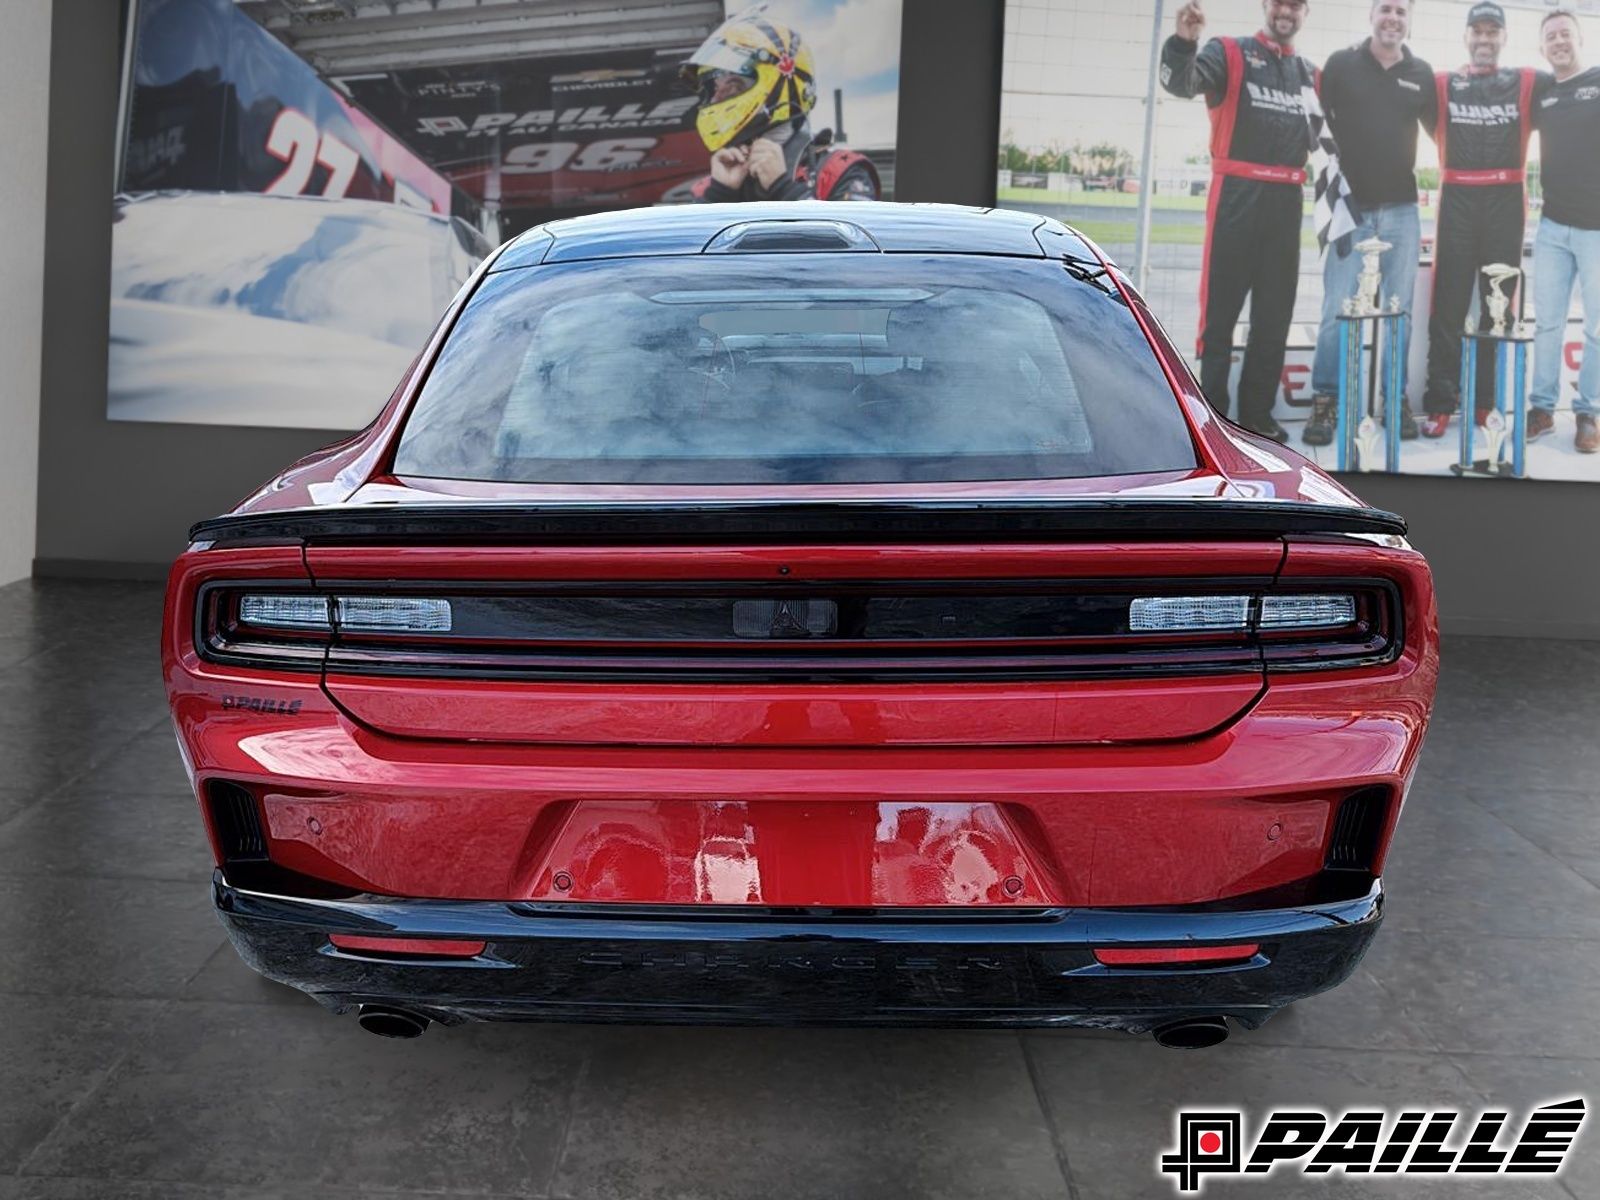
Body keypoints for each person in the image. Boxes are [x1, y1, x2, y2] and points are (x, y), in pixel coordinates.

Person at [1162, 0, 1318, 443]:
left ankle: (1257, 414)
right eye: (1279, 2)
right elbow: (1182, 83)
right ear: (1266, 6)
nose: (1285, 11)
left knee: (1274, 317)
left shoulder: (1310, 73)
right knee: (1220, 316)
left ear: (1305, 12)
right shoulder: (1228, 50)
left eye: (1295, 4)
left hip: (1288, 202)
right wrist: (1184, 43)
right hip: (1236, 196)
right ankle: (1213, 417)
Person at [1304, 0, 1435, 447]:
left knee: (1398, 311)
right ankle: (1326, 398)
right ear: (1372, 16)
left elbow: (1446, 136)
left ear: (1409, 19)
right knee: (1337, 308)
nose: (1392, 18)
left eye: (1401, 11)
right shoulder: (1341, 64)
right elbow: (1313, 128)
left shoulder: (1421, 74)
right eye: (1385, 9)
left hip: (1401, 209)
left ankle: (1393, 401)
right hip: (1348, 208)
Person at [1420, 2, 1548, 438]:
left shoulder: (1526, 81)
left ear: (1504, 38)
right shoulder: (1441, 84)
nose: (1485, 39)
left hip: (1506, 203)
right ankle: (1439, 403)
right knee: (1448, 309)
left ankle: (1484, 403)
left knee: (1496, 313)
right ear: (1467, 37)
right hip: (1457, 198)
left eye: (1493, 32)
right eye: (1478, 31)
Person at [681, 6, 879, 204]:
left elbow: (852, 235)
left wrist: (782, 188)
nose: (715, 100)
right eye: (712, 90)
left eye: (733, 87)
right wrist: (720, 197)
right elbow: (688, 236)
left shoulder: (838, 172)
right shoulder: (712, 187)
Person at [1530, 9, 1600, 453]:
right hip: (1552, 225)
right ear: (1543, 46)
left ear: (1579, 39)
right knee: (1547, 325)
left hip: (1597, 229)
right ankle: (1541, 407)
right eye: (1551, 36)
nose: (1559, 41)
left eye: (1565, 35)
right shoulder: (1541, 93)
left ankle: (1588, 412)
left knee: (1598, 328)